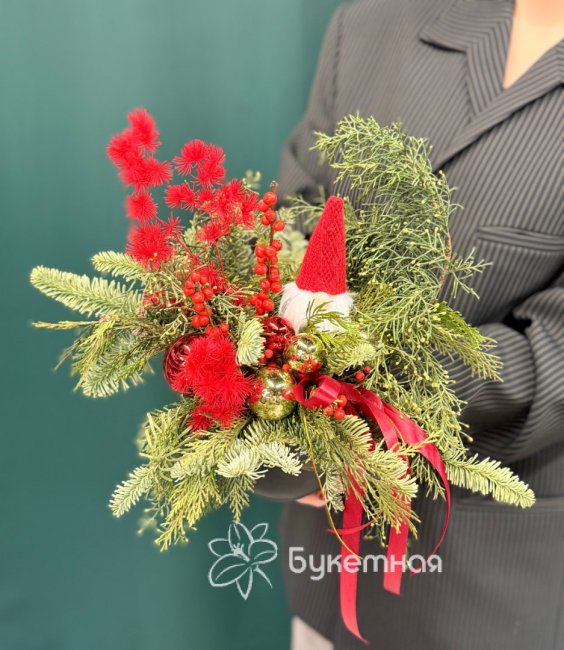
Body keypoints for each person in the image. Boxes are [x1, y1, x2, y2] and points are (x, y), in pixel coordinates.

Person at [276, 1, 564, 649]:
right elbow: (296, 223)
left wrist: (363, 400)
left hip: (497, 585)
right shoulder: (371, 26)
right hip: (331, 569)